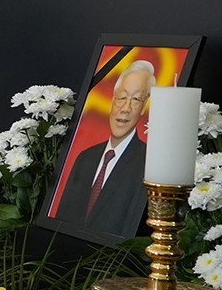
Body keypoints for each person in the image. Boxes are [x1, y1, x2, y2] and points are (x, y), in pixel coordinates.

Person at [53, 59, 155, 236]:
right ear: (113, 100)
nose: (125, 108)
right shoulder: (85, 158)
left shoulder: (148, 163)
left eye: (136, 99)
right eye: (122, 98)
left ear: (144, 107)